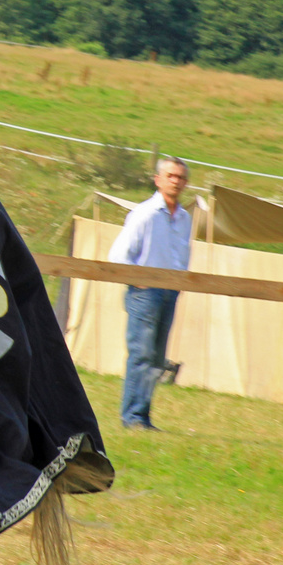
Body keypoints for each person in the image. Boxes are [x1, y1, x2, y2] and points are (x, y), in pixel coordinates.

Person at [108, 157, 193, 430]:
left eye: (180, 177)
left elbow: (181, 255)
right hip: (145, 293)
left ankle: (142, 416)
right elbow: (119, 255)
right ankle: (132, 416)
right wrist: (139, 282)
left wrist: (178, 283)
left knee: (156, 359)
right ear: (158, 179)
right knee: (142, 354)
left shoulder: (185, 218)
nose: (175, 181)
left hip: (170, 291)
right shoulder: (143, 214)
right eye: (170, 176)